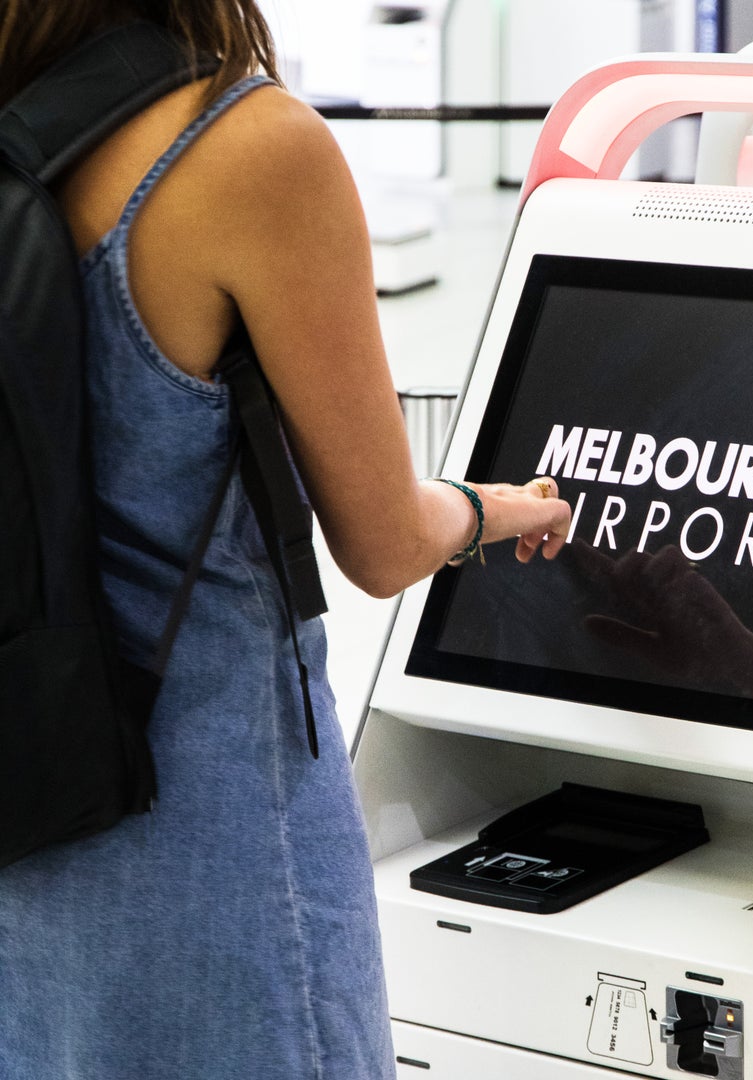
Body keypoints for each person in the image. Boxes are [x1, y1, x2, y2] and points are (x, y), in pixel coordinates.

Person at [0, 3, 571, 1078]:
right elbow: (386, 541)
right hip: (208, 830)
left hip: (21, 823)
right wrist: (494, 508)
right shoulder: (243, 147)